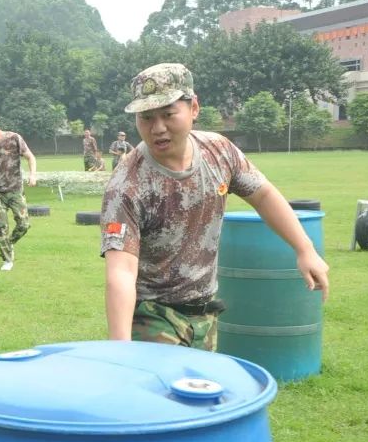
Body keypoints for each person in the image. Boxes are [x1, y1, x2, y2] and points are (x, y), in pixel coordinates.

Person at [100, 63, 330, 350]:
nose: (157, 128)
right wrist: (120, 348)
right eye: (146, 117)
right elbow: (121, 270)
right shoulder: (127, 184)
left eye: (168, 114)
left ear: (194, 108)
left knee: (200, 391)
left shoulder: (219, 151)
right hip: (152, 315)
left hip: (204, 310)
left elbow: (263, 195)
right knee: (165, 392)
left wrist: (304, 249)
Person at [0, 115, 37, 272]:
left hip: (15, 190)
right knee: (0, 228)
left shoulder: (14, 138)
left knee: (24, 224)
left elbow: (30, 157)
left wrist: (32, 174)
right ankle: (7, 259)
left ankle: (9, 243)